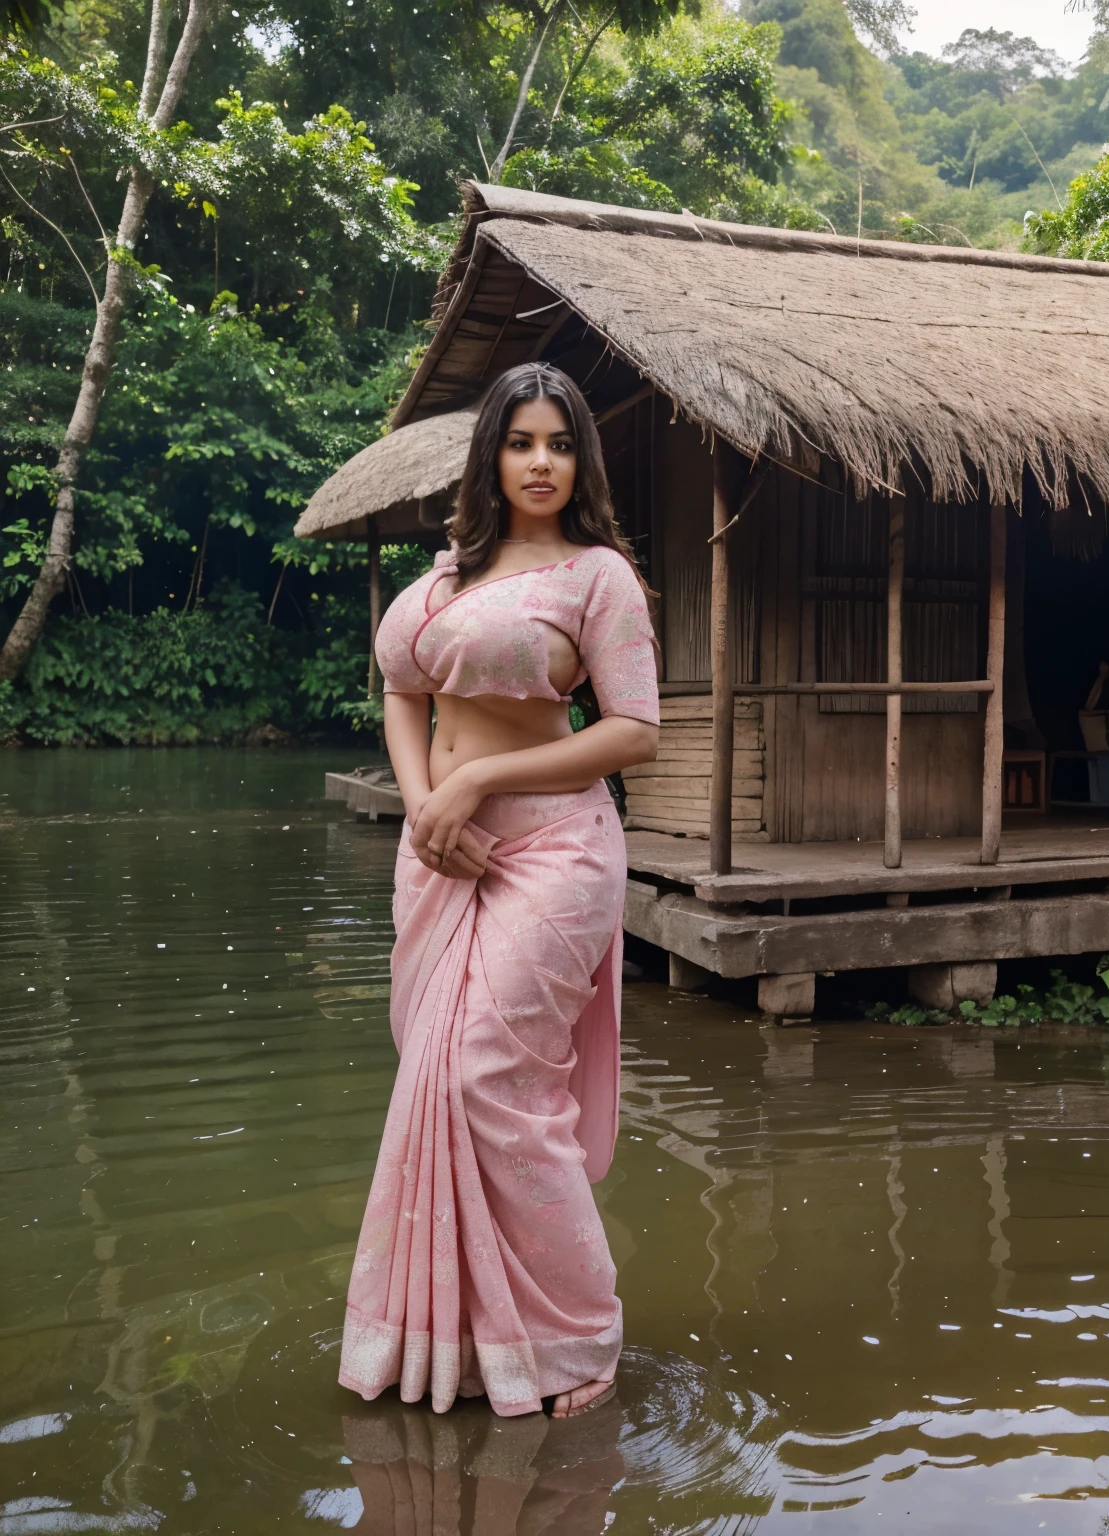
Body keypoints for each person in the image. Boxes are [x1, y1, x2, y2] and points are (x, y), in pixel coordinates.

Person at [338, 362, 660, 1420]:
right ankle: (469, 1337)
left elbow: (634, 732)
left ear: (582, 462)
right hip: (441, 854)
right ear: (491, 455)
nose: (540, 462)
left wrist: (476, 780)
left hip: (556, 849)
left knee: (485, 1075)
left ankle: (579, 1338)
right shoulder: (442, 580)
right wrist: (431, 809)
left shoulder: (597, 576)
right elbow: (400, 687)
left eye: (560, 444)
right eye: (521, 441)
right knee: (432, 1082)